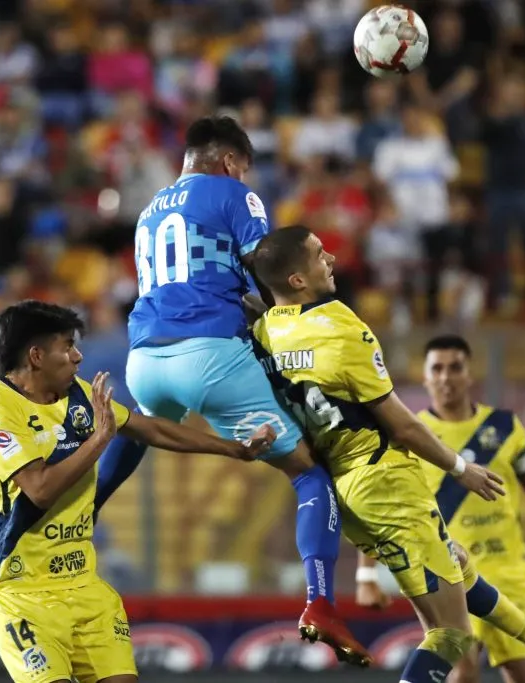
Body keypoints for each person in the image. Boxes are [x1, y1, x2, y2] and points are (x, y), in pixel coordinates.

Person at [250, 226, 525, 683]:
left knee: (457, 561)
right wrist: (461, 467)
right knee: (451, 634)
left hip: (342, 490)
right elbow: (402, 424)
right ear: (297, 279)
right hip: (384, 478)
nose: (330, 258)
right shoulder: (339, 324)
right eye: (318, 254)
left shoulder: (262, 332)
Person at [124, 116, 369, 664]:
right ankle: (321, 603)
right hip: (210, 354)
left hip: (143, 358)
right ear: (232, 162)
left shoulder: (149, 208)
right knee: (309, 473)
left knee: (134, 423)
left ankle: (84, 512)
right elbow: (273, 267)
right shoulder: (237, 194)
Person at [0, 301, 274, 683]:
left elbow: (150, 429)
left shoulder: (79, 396)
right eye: (67, 347)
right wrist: (99, 440)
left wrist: (234, 448)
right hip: (22, 591)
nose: (78, 357)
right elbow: (39, 489)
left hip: (84, 585)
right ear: (35, 356)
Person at [355, 334, 525, 683]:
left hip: (509, 571)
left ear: (469, 374)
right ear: (426, 377)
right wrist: (366, 576)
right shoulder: (409, 434)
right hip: (450, 573)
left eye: (455, 367)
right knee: (463, 673)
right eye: (437, 369)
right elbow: (382, 507)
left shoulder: (504, 428)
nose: (446, 377)